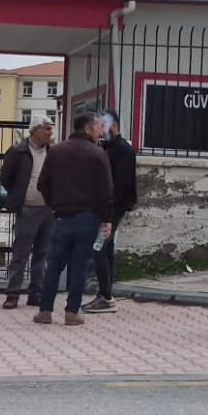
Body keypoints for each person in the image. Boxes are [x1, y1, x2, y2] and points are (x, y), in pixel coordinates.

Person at [34, 110, 112, 326]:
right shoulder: (97, 154)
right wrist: (106, 219)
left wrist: (54, 204)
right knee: (79, 265)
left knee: (54, 264)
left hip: (61, 216)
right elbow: (106, 191)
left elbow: (43, 184)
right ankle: (71, 311)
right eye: (98, 127)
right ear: (87, 129)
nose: (101, 131)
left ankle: (45, 311)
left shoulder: (56, 151)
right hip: (88, 217)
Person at [0, 116, 56, 309]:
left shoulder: (52, 152)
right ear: (35, 130)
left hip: (48, 209)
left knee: (42, 253)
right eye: (47, 129)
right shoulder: (19, 151)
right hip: (27, 208)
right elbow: (5, 177)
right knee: (20, 253)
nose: (50, 133)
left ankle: (36, 293)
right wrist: (19, 194)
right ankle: (12, 294)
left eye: (51, 129)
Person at [82, 110, 137, 314]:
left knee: (99, 248)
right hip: (105, 208)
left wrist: (110, 211)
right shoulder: (108, 148)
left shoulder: (122, 150)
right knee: (105, 250)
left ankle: (105, 296)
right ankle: (106, 294)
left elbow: (121, 184)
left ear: (113, 126)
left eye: (103, 125)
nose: (100, 129)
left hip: (112, 209)